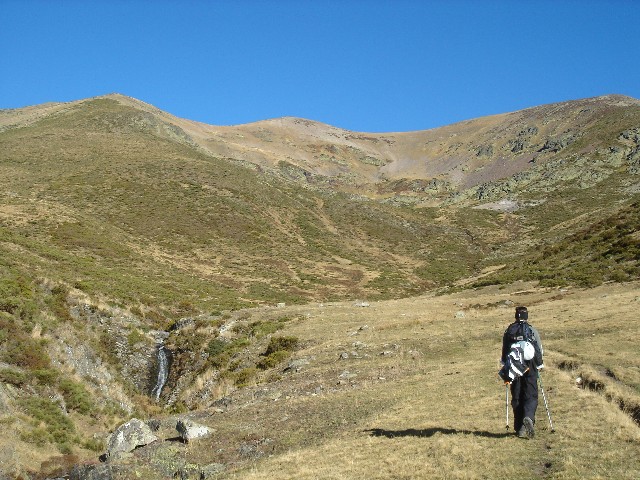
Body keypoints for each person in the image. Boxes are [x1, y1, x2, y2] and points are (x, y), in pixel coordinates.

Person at [501, 306, 544, 439]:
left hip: (514, 365)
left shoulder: (509, 330)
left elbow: (505, 350)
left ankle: (519, 427)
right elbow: (539, 349)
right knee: (531, 393)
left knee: (517, 394)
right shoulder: (531, 330)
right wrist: (540, 364)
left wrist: (505, 366)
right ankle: (528, 417)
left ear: (516, 315)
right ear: (526, 316)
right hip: (530, 364)